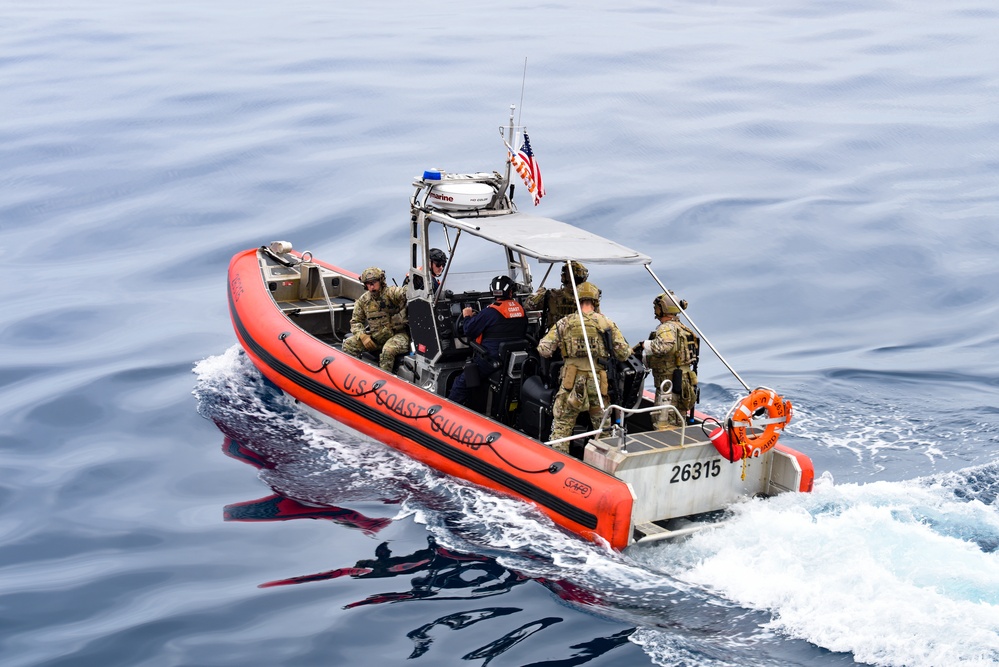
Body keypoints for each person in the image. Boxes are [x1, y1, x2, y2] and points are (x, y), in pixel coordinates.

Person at [536, 282, 631, 451]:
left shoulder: (565, 323)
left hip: (571, 382)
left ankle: (559, 460)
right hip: (597, 382)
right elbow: (623, 353)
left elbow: (544, 349)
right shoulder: (606, 323)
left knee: (562, 427)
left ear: (577, 299)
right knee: (603, 430)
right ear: (596, 300)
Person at [448, 275, 528, 405]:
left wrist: (467, 317)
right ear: (511, 292)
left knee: (461, 383)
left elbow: (468, 330)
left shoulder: (489, 312)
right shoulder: (521, 310)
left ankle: (447, 414)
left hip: (492, 360)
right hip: (515, 360)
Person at [634, 292, 699, 429]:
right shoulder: (681, 328)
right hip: (683, 382)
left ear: (663, 308)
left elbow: (664, 346)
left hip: (668, 385)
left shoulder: (666, 328)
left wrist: (644, 345)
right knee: (679, 419)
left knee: (662, 422)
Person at [342, 267, 410, 372]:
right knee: (349, 344)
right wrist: (363, 336)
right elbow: (356, 322)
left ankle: (385, 379)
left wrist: (411, 284)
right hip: (378, 336)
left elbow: (404, 293)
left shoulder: (390, 293)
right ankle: (354, 372)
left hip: (398, 335)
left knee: (388, 351)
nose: (371, 286)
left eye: (374, 282)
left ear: (381, 281)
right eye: (368, 284)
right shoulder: (364, 300)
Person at [525, 261, 600, 332]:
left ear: (563, 277)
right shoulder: (590, 299)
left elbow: (528, 305)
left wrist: (540, 292)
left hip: (555, 340)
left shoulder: (552, 296)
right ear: (584, 278)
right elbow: (598, 320)